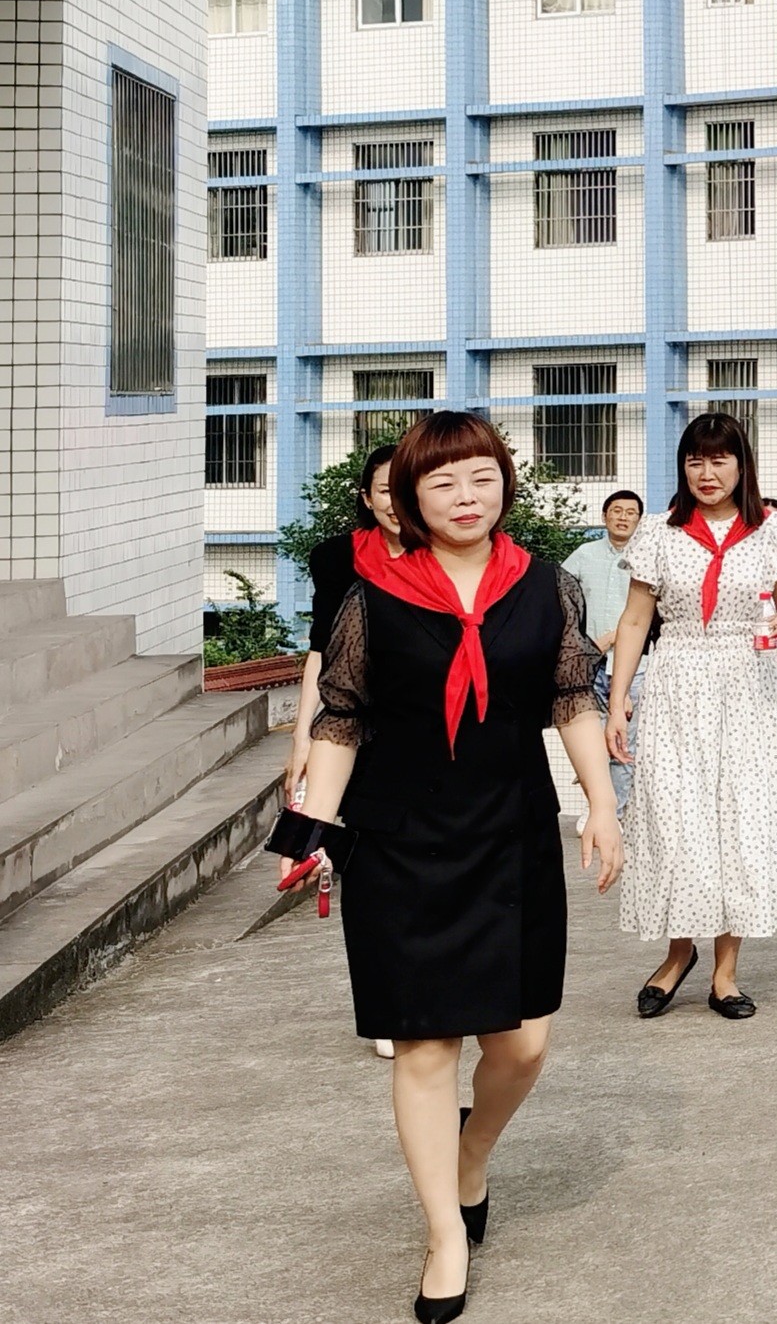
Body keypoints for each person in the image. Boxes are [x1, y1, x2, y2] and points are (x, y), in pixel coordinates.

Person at [268, 412, 622, 1322]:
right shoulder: (371, 594)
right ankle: (444, 1234)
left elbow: (570, 692)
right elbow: (340, 717)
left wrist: (602, 805)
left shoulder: (544, 586)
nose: (467, 497)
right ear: (409, 502)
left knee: (523, 1041)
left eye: (482, 478)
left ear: (503, 483)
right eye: (443, 484)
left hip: (510, 830)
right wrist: (310, 830)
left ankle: (472, 1154)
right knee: (425, 1045)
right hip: (398, 838)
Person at [606, 413, 777, 1021]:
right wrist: (617, 701)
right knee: (676, 820)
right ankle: (677, 955)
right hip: (676, 682)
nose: (707, 472)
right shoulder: (659, 533)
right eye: (696, 460)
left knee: (742, 824)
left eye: (720, 460)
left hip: (748, 686)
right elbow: (636, 620)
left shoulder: (770, 530)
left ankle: (725, 972)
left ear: (741, 465)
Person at [289, 442, 405, 1060]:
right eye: (382, 489)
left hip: (414, 732)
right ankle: (386, 1008)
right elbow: (321, 653)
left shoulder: (438, 551)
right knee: (366, 873)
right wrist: (303, 740)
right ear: (366, 498)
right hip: (347, 729)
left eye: (402, 486)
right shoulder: (338, 558)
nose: (393, 500)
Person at [563, 490, 645, 822]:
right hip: (589, 662)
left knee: (623, 744)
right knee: (590, 743)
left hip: (633, 665)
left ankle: (617, 814)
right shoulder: (584, 555)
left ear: (639, 521)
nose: (623, 517)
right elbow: (560, 598)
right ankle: (596, 806)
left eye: (630, 513)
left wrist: (619, 638)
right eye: (616, 511)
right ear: (604, 517)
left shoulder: (644, 557)